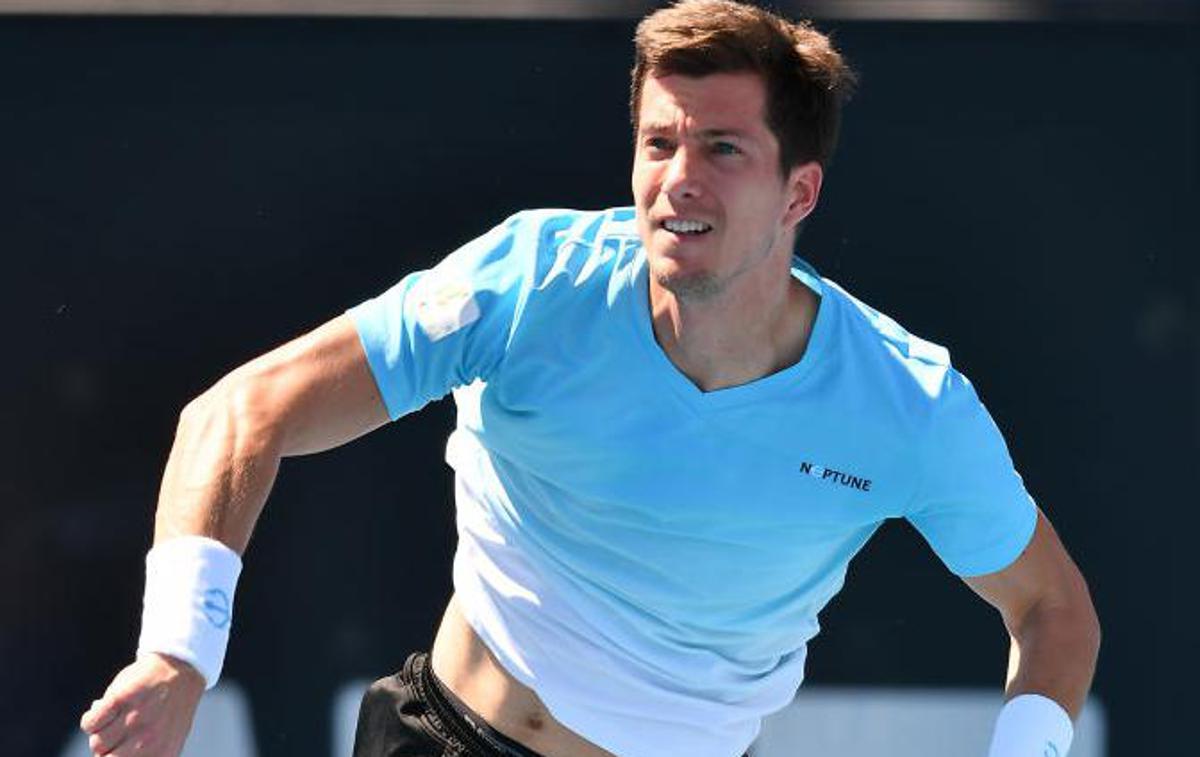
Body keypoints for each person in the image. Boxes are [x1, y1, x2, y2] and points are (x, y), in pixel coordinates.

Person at [78, 1, 1100, 756]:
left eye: (722, 148)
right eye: (659, 142)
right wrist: (178, 652)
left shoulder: (908, 406)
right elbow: (242, 412)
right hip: (450, 738)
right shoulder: (532, 283)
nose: (677, 178)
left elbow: (1054, 613)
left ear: (801, 191)